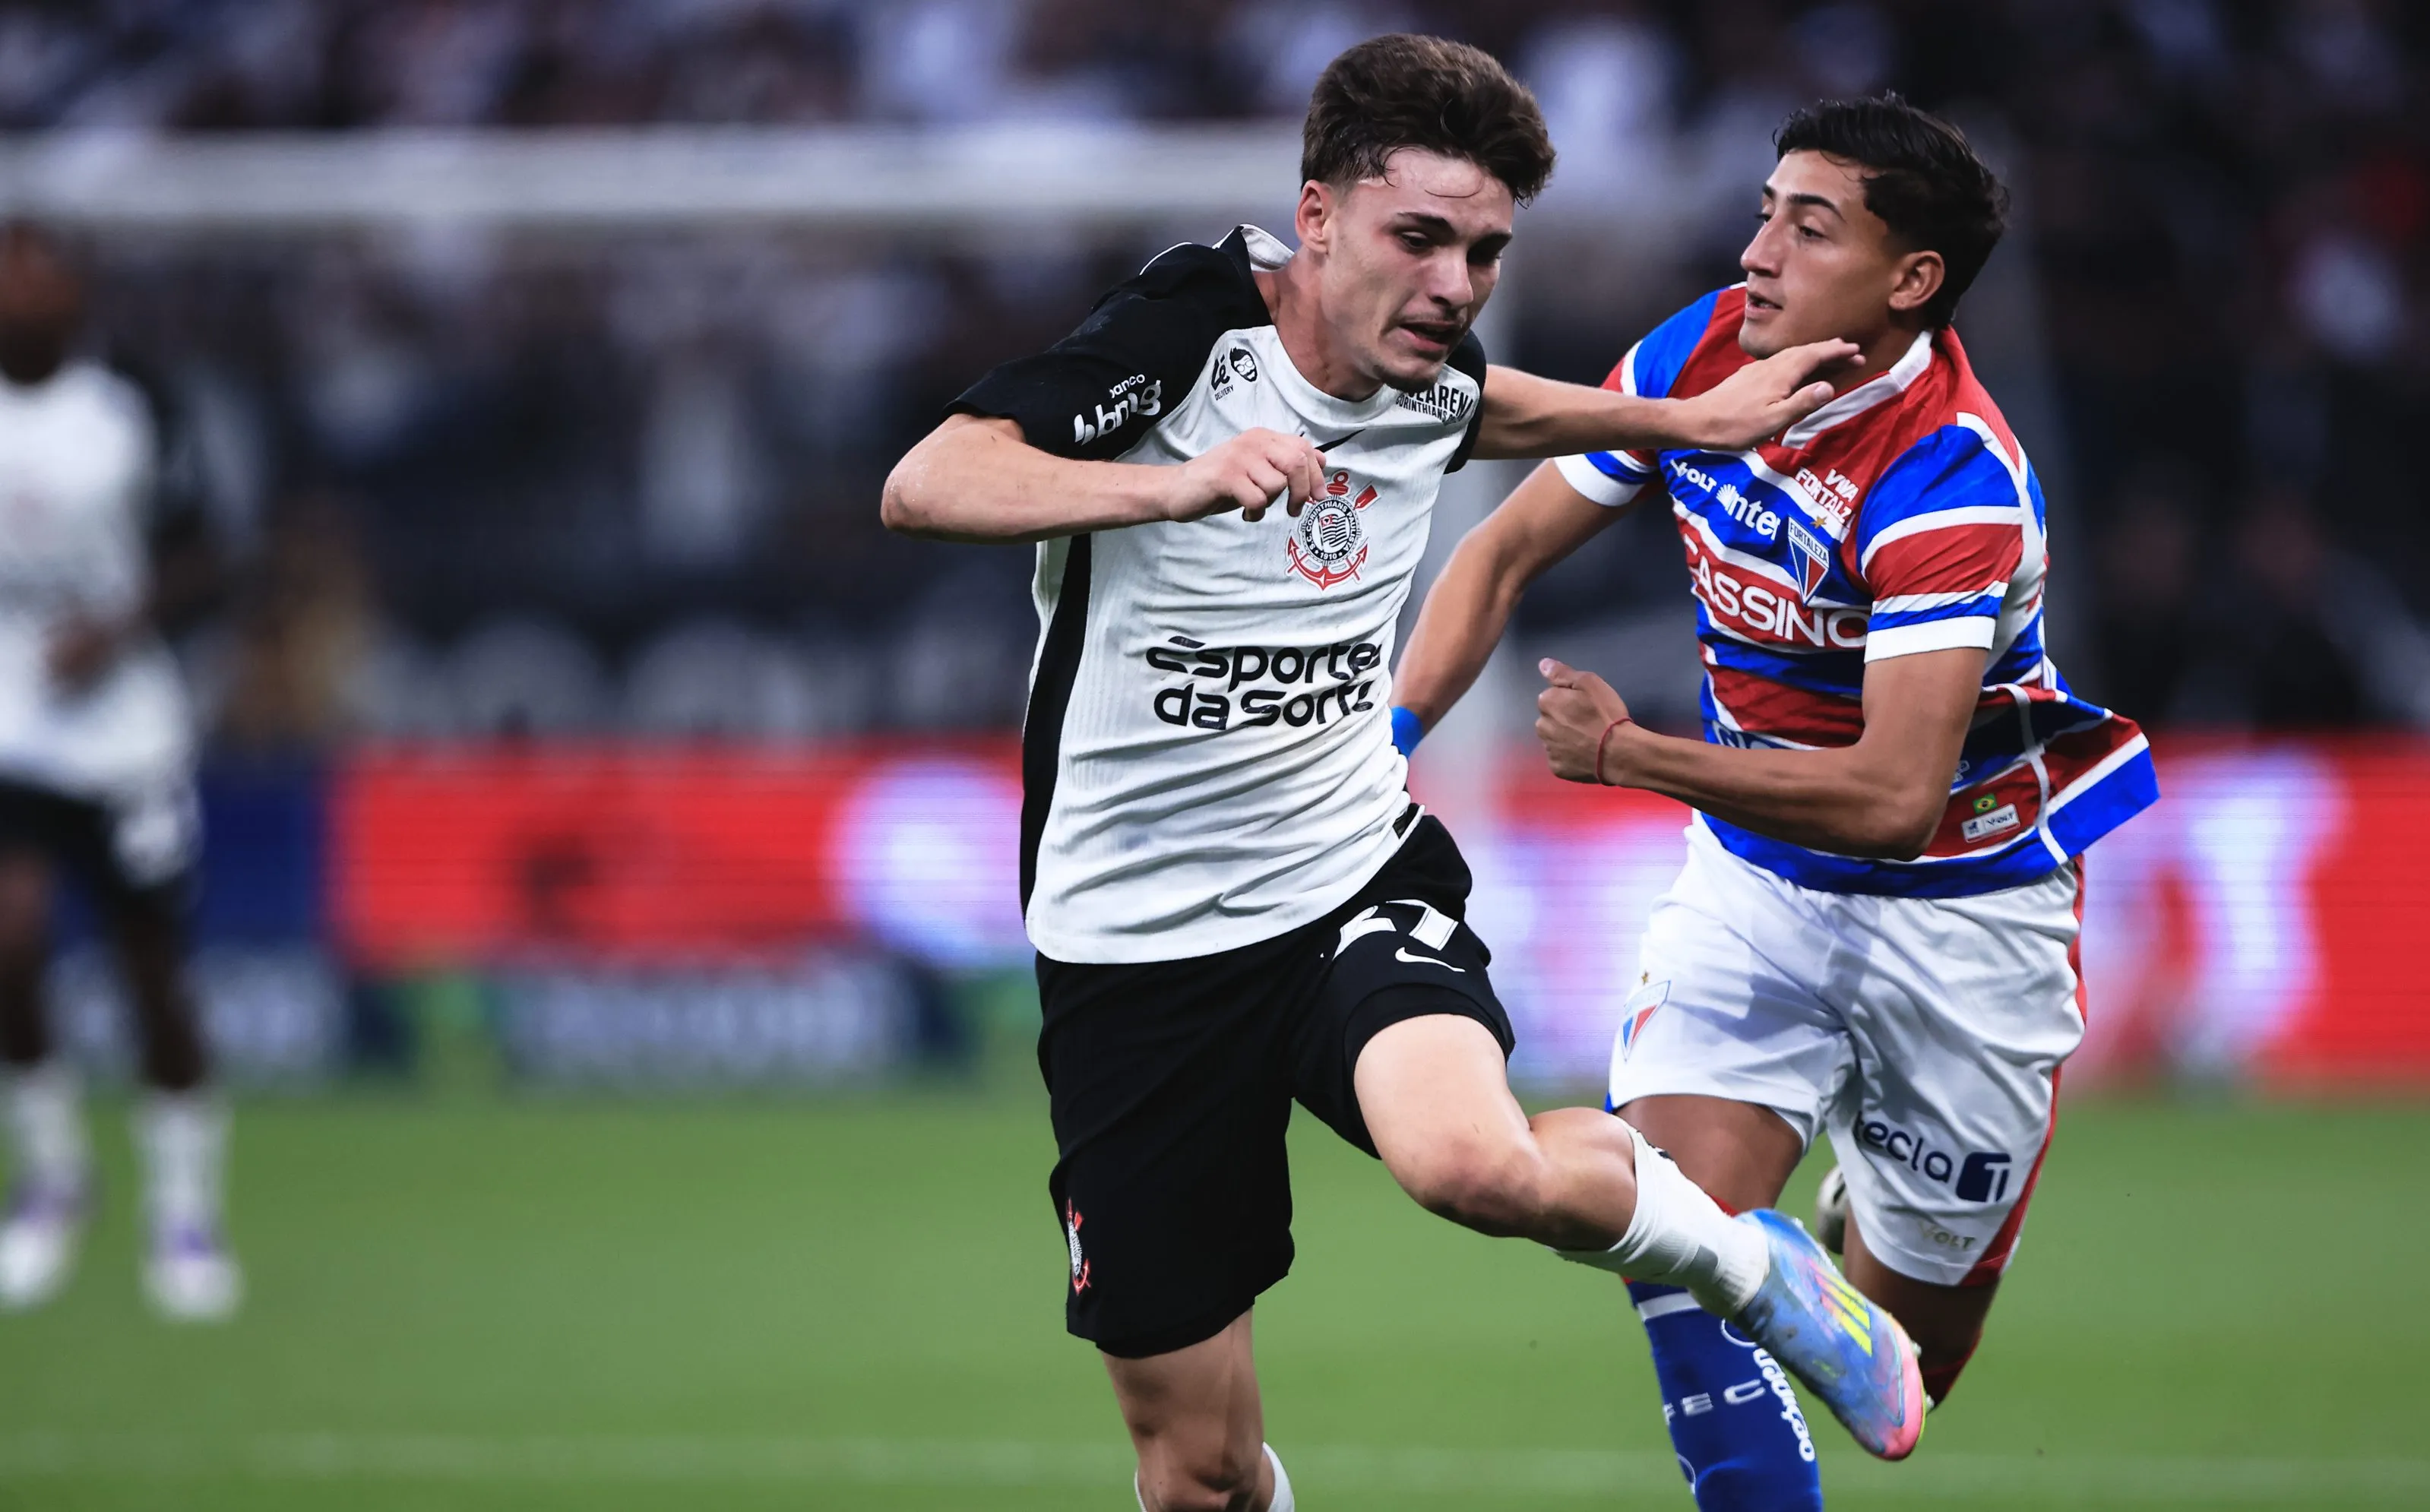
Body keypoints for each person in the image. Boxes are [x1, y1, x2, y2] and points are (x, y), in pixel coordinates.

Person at [881, 36, 1925, 1512]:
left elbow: (1486, 409)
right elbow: (929, 480)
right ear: (1315, 221)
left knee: (1471, 1164)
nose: (1453, 282)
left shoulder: (1422, 368)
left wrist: (1672, 424)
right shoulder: (1189, 336)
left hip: (1339, 883)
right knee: (1197, 1470)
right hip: (1130, 955)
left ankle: (1746, 1257)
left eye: (1485, 251)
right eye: (1419, 237)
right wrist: (1172, 481)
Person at [1394, 94, 2158, 1509]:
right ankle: (1749, 1266)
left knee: (1904, 1373)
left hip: (1962, 913)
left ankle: (1838, 1231)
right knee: (1672, 1227)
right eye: (1764, 209)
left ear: (1908, 279)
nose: (1757, 249)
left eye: (1808, 226)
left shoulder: (1948, 477)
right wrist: (1380, 757)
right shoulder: (1704, 350)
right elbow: (1496, 558)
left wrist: (1631, 758)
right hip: (1757, 889)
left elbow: (1886, 795)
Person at [0, 223, 239, 1321]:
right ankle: (53, 1176)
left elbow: (210, 550)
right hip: (10, 723)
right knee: (10, 939)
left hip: (126, 729)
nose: (22, 291)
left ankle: (183, 1208)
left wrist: (117, 628)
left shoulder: (131, 405)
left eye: (38, 270)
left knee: (155, 975)